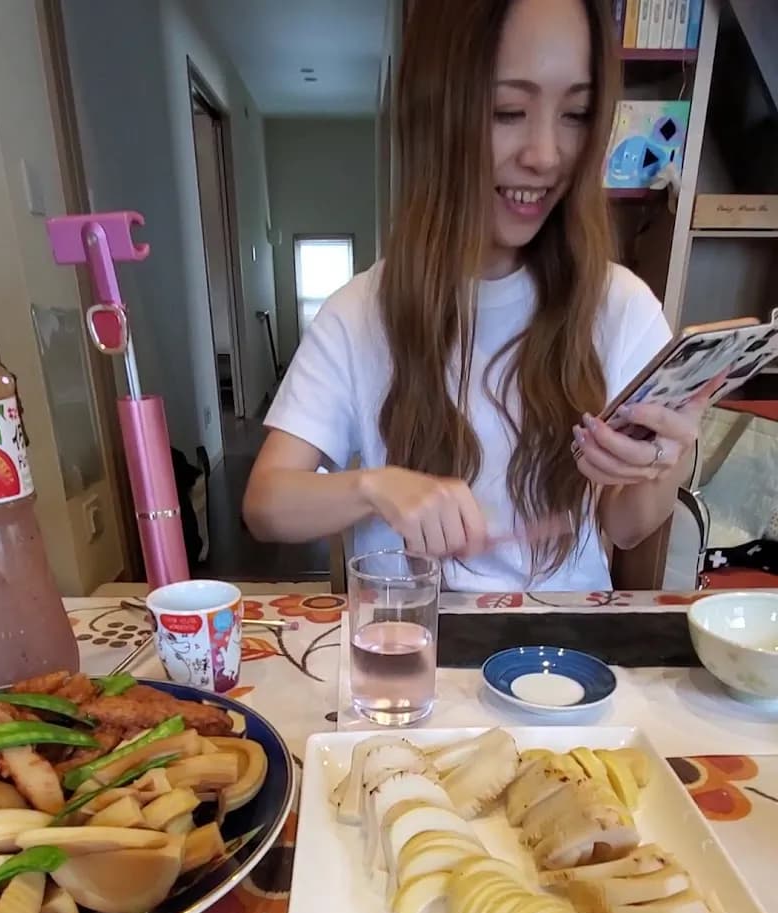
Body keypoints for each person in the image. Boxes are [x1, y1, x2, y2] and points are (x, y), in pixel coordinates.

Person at [243, 0, 712, 592]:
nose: (545, 154)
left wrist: (662, 460)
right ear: (438, 117)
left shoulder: (621, 306)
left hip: (563, 657)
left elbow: (626, 527)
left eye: (576, 113)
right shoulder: (359, 312)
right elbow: (265, 504)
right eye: (508, 110)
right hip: (409, 649)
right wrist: (375, 485)